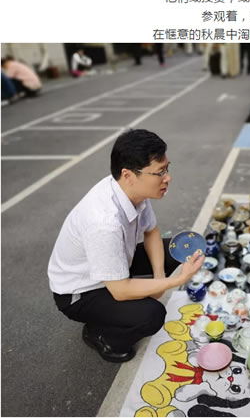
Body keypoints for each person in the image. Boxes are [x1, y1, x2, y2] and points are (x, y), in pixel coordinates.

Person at [48, 129, 204, 363]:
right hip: (79, 293)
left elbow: (151, 230)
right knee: (151, 315)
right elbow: (120, 291)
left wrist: (159, 277)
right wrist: (176, 280)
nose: (168, 178)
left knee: (175, 250)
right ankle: (101, 335)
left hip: (115, 263)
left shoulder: (132, 191)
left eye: (167, 168)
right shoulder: (103, 222)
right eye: (159, 172)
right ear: (128, 175)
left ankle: (119, 309)